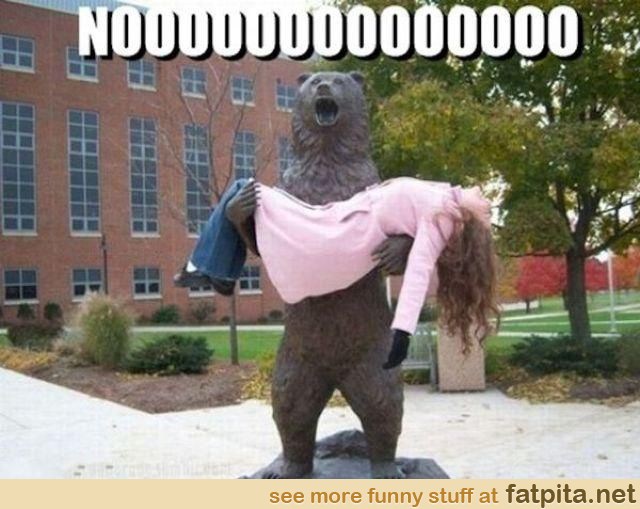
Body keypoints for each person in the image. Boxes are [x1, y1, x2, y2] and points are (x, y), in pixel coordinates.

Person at [175, 176, 499, 368]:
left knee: (246, 189)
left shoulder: (442, 212)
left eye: (484, 205)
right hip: (341, 227)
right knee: (246, 199)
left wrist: (402, 334)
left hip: (341, 235)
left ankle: (208, 270)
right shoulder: (441, 199)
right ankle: (216, 273)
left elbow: (418, 271)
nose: (482, 197)